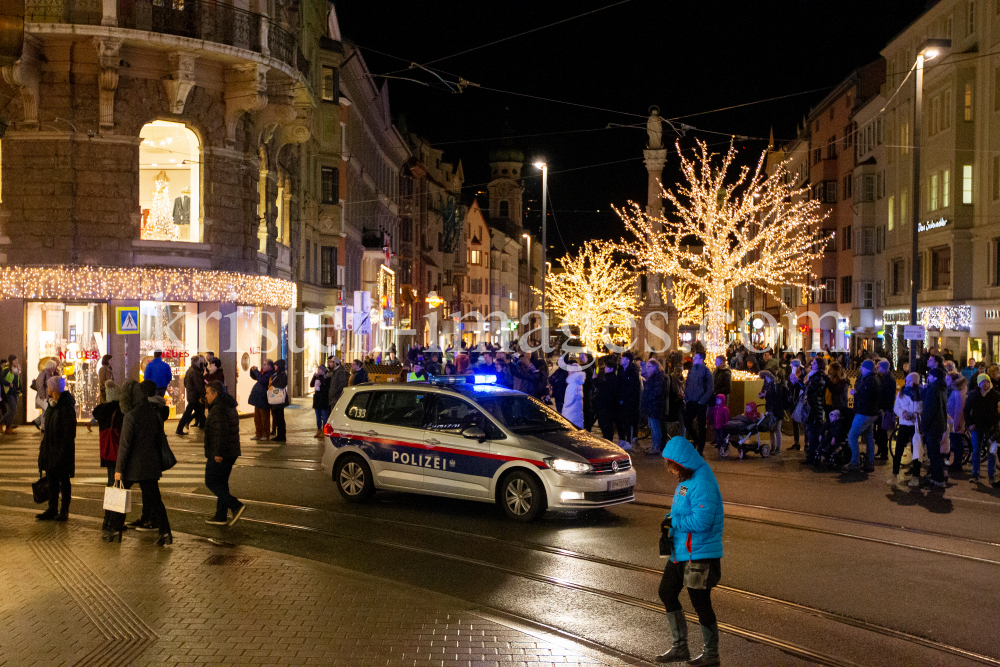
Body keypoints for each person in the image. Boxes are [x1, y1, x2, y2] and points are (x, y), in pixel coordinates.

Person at [656, 436, 724, 666]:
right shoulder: (688, 479)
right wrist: (670, 519)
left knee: (701, 603)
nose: (671, 471)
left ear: (681, 463)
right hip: (682, 550)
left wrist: (674, 523)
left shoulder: (703, 481)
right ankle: (680, 648)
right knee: (667, 592)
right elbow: (681, 511)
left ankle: (711, 656)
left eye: (673, 467)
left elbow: (702, 521)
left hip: (700, 553)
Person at [114, 380, 172, 546]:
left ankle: (115, 530)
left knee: (121, 495)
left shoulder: (130, 416)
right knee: (155, 499)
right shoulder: (152, 412)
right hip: (151, 463)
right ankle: (166, 532)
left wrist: (119, 468)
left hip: (134, 464)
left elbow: (124, 445)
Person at [203, 381, 245, 526]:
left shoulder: (218, 408)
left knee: (211, 481)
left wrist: (218, 453)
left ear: (215, 394)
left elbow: (220, 432)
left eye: (207, 393)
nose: (206, 396)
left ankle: (235, 505)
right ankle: (220, 516)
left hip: (222, 452)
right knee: (221, 482)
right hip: (230, 451)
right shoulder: (227, 404)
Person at [36, 375, 76, 522]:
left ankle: (64, 510)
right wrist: (43, 451)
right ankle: (52, 508)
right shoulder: (51, 406)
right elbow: (46, 431)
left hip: (61, 451)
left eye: (49, 387)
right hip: (50, 449)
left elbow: (69, 433)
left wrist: (61, 452)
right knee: (52, 481)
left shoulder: (66, 407)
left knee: (64, 481)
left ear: (54, 389)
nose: (47, 389)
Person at [91, 381, 123, 539]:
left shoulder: (101, 412)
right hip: (118, 455)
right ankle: (112, 521)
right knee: (116, 486)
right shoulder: (119, 412)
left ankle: (107, 520)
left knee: (111, 485)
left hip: (107, 454)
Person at [964, 373, 1000, 485]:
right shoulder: (974, 394)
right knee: (976, 451)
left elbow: (998, 412)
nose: (985, 384)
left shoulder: (995, 395)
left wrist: (995, 424)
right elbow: (966, 410)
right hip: (977, 426)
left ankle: (991, 476)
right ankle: (975, 475)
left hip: (991, 427)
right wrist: (970, 423)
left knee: (991, 452)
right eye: (983, 382)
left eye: (987, 382)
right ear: (979, 383)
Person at [846, 360, 880, 473]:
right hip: (871, 412)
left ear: (868, 369)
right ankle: (869, 462)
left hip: (864, 412)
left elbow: (865, 396)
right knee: (869, 436)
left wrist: (855, 393)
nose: (861, 369)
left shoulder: (869, 380)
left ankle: (855, 462)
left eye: (862, 367)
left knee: (852, 435)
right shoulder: (872, 379)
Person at [890, 373, 922, 486]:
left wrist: (916, 415)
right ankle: (894, 475)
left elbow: (923, 408)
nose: (908, 383)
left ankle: (916, 476)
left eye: (910, 381)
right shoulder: (901, 393)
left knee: (916, 451)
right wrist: (903, 413)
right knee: (898, 449)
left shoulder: (920, 393)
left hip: (915, 426)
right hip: (904, 424)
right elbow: (896, 407)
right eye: (907, 380)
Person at [920, 368, 948, 488]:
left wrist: (923, 426)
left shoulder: (933, 390)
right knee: (936, 453)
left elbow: (929, 410)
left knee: (934, 454)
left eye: (930, 375)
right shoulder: (941, 389)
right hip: (939, 425)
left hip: (932, 426)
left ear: (935, 377)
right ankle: (936, 477)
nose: (928, 377)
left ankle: (938, 479)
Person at [684, 351, 714, 455]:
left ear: (701, 360)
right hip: (691, 401)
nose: (694, 360)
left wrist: (702, 401)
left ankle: (700, 447)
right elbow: (687, 383)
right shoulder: (691, 370)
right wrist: (686, 396)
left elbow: (710, 389)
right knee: (687, 421)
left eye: (696, 358)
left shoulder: (706, 372)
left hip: (700, 402)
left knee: (701, 425)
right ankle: (696, 440)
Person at [803, 358, 829, 465]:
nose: (811, 365)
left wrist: (802, 384)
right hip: (813, 407)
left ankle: (813, 456)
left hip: (815, 408)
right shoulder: (813, 376)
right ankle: (812, 455)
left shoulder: (819, 377)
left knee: (814, 433)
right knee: (811, 432)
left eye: (814, 363)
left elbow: (812, 390)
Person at [640, 359, 667, 455]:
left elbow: (657, 391)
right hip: (651, 406)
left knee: (655, 427)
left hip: (655, 405)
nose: (647, 369)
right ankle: (653, 445)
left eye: (649, 367)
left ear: (655, 367)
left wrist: (648, 398)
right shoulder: (652, 377)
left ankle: (656, 447)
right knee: (651, 426)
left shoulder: (659, 378)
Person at [617, 352, 642, 450]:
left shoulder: (632, 372)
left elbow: (631, 388)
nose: (621, 360)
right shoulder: (620, 370)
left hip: (629, 401)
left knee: (629, 421)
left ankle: (629, 440)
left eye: (623, 358)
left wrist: (623, 398)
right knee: (621, 420)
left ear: (627, 360)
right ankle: (622, 439)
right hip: (621, 400)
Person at [176, 356, 206, 436]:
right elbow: (198, 385)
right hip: (194, 396)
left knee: (199, 411)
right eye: (199, 360)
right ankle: (179, 428)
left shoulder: (189, 370)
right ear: (197, 362)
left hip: (191, 395)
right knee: (189, 412)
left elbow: (185, 383)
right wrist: (203, 393)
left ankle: (203, 425)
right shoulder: (195, 372)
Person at [945, 372, 967, 473]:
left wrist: (956, 424)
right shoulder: (955, 390)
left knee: (957, 443)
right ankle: (956, 463)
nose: (946, 381)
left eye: (948, 379)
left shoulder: (958, 392)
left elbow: (959, 409)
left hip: (955, 422)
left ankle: (958, 464)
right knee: (955, 442)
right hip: (952, 421)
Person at [874, 360, 896, 461]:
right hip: (881, 408)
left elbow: (889, 396)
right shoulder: (883, 377)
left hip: (884, 409)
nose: (877, 369)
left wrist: (885, 409)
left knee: (882, 431)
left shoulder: (889, 380)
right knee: (879, 431)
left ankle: (884, 452)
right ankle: (881, 449)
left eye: (878, 367)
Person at [757, 370, 784, 453]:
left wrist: (766, 394)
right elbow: (764, 393)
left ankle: (777, 448)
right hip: (770, 408)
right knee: (772, 428)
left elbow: (778, 396)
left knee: (776, 428)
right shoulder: (767, 383)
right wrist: (761, 395)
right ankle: (773, 448)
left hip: (777, 409)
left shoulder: (776, 384)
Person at [595, 357, 620, 442]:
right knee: (604, 425)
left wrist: (595, 380)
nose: (604, 368)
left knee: (606, 426)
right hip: (604, 406)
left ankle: (608, 441)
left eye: (606, 367)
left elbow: (604, 389)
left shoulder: (611, 379)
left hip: (607, 407)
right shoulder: (607, 377)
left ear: (611, 369)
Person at [248, 360, 274, 441]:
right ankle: (258, 434)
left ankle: (265, 434)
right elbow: (255, 377)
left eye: (265, 364)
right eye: (263, 364)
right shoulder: (263, 373)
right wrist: (252, 371)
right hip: (258, 399)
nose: (263, 366)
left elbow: (262, 380)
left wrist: (256, 371)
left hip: (264, 399)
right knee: (257, 418)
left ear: (270, 366)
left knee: (264, 418)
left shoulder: (269, 374)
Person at [561, 361, 585, 429]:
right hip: (576, 414)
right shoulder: (578, 383)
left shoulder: (572, 385)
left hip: (570, 415)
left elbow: (569, 401)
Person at [270, 359, 289, 443]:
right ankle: (279, 434)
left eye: (276, 366)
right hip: (276, 398)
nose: (275, 367)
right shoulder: (278, 374)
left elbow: (281, 385)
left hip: (279, 399)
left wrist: (273, 383)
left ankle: (281, 435)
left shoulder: (282, 375)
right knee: (277, 417)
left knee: (280, 417)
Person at [1, 355, 21, 434]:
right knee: (12, 410)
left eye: (17, 360)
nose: (16, 361)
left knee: (13, 410)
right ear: (10, 361)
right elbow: (2, 380)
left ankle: (6, 425)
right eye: (14, 360)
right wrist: (9, 384)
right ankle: (7, 426)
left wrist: (19, 389)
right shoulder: (6, 369)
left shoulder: (16, 370)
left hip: (15, 392)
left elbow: (17, 380)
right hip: (9, 392)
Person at [310, 365, 331, 438]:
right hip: (317, 399)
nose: (318, 371)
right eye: (318, 369)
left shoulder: (327, 378)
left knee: (324, 416)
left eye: (319, 369)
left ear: (323, 370)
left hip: (323, 399)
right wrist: (314, 377)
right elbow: (311, 385)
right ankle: (319, 430)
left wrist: (321, 381)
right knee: (318, 416)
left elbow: (326, 388)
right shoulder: (316, 377)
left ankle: (324, 431)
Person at [787, 360, 804, 450]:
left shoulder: (803, 375)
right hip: (793, 402)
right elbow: (790, 389)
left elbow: (804, 387)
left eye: (793, 367)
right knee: (795, 422)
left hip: (800, 402)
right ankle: (796, 442)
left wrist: (798, 381)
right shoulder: (791, 376)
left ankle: (806, 443)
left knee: (803, 423)